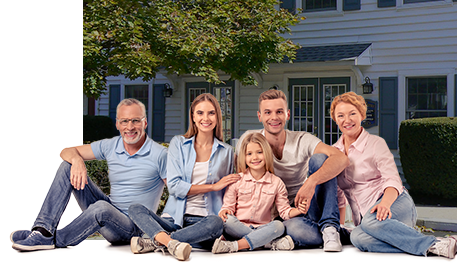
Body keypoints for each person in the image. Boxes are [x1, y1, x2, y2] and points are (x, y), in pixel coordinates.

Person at [10, 98, 168, 251]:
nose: (130, 126)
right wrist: (78, 161)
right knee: (67, 166)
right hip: (111, 212)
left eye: (136, 120)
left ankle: (54, 239)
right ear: (118, 124)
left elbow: (177, 191)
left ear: (145, 123)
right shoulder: (111, 145)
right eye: (124, 121)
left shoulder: (160, 154)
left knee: (102, 208)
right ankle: (43, 230)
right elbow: (66, 151)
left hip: (133, 228)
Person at [331, 91, 457, 259]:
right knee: (357, 238)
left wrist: (385, 204)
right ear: (335, 119)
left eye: (352, 114)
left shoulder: (375, 144)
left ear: (362, 115)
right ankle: (430, 244)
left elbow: (392, 178)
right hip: (370, 224)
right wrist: (340, 226)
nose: (347, 120)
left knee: (370, 221)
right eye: (341, 115)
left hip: (395, 203)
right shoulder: (335, 153)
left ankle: (432, 244)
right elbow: (339, 195)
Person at [128, 93, 239, 261]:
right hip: (174, 219)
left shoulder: (228, 152)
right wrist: (213, 186)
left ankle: (159, 241)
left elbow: (232, 189)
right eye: (200, 113)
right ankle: (174, 242)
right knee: (135, 208)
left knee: (215, 223)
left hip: (205, 223)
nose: (206, 118)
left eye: (211, 113)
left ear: (217, 117)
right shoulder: (178, 144)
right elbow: (174, 186)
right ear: (193, 117)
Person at [236, 89, 350, 251]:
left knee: (320, 159)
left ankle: (330, 228)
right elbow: (240, 177)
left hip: (306, 207)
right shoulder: (251, 141)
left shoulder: (302, 139)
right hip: (277, 216)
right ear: (260, 116)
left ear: (287, 114)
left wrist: (311, 182)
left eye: (279, 112)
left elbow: (341, 158)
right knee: (292, 229)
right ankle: (333, 234)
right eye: (268, 112)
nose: (274, 117)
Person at [212, 133, 307, 254]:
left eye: (259, 152)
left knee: (279, 226)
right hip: (238, 227)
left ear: (266, 153)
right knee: (227, 221)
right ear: (244, 157)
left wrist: (299, 210)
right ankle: (266, 243)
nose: (255, 157)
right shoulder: (236, 181)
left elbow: (284, 212)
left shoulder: (277, 183)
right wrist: (225, 212)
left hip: (263, 228)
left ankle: (235, 246)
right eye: (249, 154)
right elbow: (227, 207)